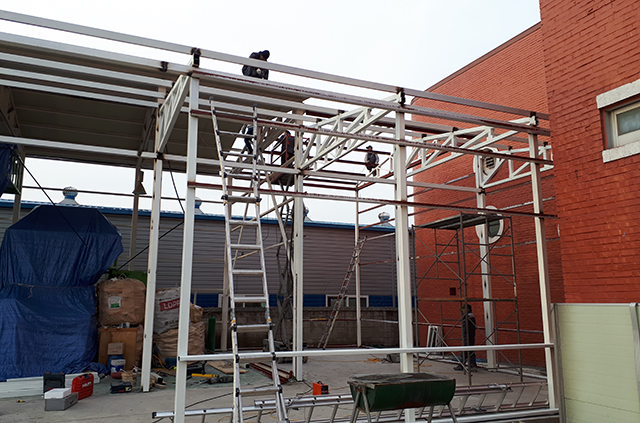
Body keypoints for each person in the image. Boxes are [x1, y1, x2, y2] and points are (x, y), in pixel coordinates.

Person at [454, 304, 477, 371]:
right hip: (468, 335)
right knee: (470, 351)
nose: (462, 311)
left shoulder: (469, 316)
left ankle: (462, 365)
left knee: (466, 350)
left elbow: (468, 327)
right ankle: (472, 365)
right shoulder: (469, 316)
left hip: (468, 335)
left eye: (463, 309)